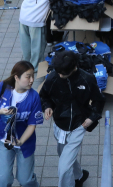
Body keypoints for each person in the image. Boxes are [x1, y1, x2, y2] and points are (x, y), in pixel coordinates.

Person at [39, 51, 105, 187]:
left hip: (79, 125)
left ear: (74, 67)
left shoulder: (87, 78)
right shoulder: (53, 78)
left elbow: (99, 101)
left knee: (63, 168)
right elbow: (43, 96)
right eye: (59, 73)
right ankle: (79, 176)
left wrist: (92, 118)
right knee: (62, 153)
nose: (60, 76)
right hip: (59, 124)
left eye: (63, 73)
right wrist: (47, 107)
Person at [18, 0, 88, 69]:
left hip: (23, 18)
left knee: (26, 45)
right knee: (37, 47)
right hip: (35, 22)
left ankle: (26, 65)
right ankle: (35, 68)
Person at [0, 61, 43, 187]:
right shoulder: (2, 87)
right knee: (3, 179)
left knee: (26, 180)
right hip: (3, 139)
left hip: (25, 142)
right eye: (28, 76)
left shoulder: (34, 97)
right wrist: (1, 111)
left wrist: (21, 141)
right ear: (16, 77)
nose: (32, 80)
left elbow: (32, 125)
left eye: (32, 76)